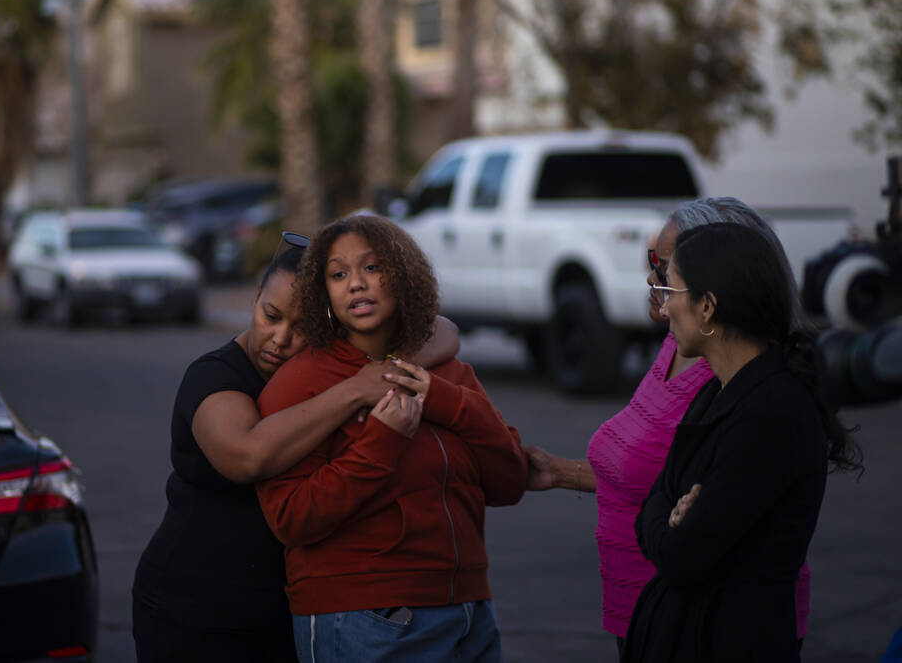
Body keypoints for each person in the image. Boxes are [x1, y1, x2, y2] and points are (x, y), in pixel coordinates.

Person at [131, 240, 461, 662]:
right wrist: (359, 387)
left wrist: (382, 367)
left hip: (287, 614)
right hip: (194, 609)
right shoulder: (214, 376)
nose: (279, 339)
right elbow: (246, 456)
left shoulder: (323, 372)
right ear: (255, 298)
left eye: (303, 327)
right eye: (270, 315)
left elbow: (444, 330)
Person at [523, 197, 814, 655]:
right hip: (658, 616)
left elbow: (686, 548)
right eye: (655, 263)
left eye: (668, 273)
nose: (654, 283)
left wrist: (666, 514)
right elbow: (659, 486)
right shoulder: (684, 352)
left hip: (715, 629)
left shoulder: (750, 391)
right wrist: (561, 472)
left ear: (711, 296)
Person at [255, 215, 527, 663]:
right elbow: (291, 517)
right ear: (323, 292)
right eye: (338, 274)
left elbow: (508, 482)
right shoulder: (300, 383)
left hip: (471, 613)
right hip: (366, 618)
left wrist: (450, 402)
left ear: (404, 275)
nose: (356, 284)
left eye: (372, 267)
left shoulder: (451, 373)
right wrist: (381, 441)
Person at [623, 222, 862, 662]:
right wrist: (668, 511)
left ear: (708, 306)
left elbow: (683, 555)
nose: (663, 307)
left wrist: (670, 517)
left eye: (671, 290)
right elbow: (653, 506)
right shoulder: (717, 391)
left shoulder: (773, 410)